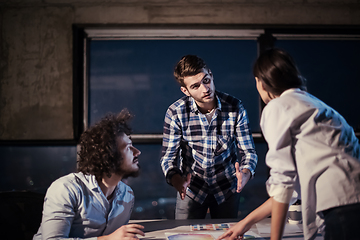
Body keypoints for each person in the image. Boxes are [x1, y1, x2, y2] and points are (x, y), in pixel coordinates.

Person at [217, 48, 360, 240]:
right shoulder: (316, 105)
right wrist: (246, 223)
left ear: (262, 82)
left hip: (340, 206)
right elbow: (289, 189)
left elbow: (282, 181)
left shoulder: (278, 107)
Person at [160, 55, 258, 219]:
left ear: (211, 75)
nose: (205, 89)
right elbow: (168, 158)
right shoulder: (175, 112)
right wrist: (177, 180)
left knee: (228, 236)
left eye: (206, 80)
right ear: (186, 91)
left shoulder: (234, 106)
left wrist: (246, 173)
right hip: (191, 190)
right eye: (196, 86)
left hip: (227, 189)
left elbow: (249, 152)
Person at [33, 109, 145, 240]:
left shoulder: (127, 195)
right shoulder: (66, 189)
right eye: (128, 147)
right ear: (108, 156)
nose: (137, 152)